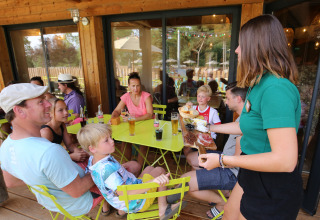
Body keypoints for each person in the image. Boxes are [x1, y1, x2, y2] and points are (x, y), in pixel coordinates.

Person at [198, 15, 303, 220]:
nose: (237, 50)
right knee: (229, 214)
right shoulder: (258, 84)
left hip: (272, 184)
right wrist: (210, 128)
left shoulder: (276, 89)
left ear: (257, 47)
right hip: (251, 170)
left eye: (240, 44)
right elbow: (250, 126)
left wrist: (221, 160)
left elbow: (286, 160)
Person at [0, 83, 101, 216]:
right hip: (79, 203)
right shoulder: (48, 151)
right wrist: (99, 168)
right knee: (128, 167)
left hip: (51, 202)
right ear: (19, 111)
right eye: (40, 102)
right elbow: (77, 191)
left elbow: (10, 182)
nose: (48, 104)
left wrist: (46, 180)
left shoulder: (5, 146)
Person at [77, 123, 186, 219]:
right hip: (136, 201)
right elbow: (126, 193)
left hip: (126, 197)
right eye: (106, 140)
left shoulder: (94, 159)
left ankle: (164, 194)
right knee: (160, 171)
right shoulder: (107, 169)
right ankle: (163, 208)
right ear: (92, 148)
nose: (112, 141)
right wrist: (154, 182)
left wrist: (120, 169)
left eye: (110, 137)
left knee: (148, 168)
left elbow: (105, 179)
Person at [180, 83, 247, 219]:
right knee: (193, 159)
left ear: (238, 99)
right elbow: (230, 127)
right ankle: (221, 190)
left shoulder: (245, 124)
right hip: (226, 158)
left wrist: (218, 162)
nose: (225, 101)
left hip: (233, 172)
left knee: (184, 182)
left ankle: (222, 202)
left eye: (227, 98)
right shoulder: (242, 118)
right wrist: (207, 127)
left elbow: (236, 162)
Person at [111, 72, 153, 167]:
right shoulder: (126, 96)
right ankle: (126, 166)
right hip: (132, 124)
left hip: (146, 125)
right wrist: (113, 117)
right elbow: (117, 110)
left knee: (143, 143)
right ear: (129, 86)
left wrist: (134, 119)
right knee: (125, 141)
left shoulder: (146, 96)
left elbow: (150, 114)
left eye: (138, 86)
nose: (135, 88)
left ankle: (139, 168)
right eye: (133, 86)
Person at [40, 98, 89, 162]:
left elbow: (69, 145)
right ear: (50, 113)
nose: (66, 113)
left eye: (66, 109)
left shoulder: (61, 125)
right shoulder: (46, 131)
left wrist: (79, 152)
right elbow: (46, 157)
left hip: (59, 158)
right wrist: (71, 157)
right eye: (60, 110)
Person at [184, 85, 221, 157]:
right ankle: (193, 164)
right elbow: (184, 117)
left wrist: (207, 128)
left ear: (208, 98)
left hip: (208, 139)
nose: (200, 99)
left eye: (203, 97)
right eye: (199, 96)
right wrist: (186, 107)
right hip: (194, 137)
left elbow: (219, 127)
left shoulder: (213, 112)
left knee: (200, 152)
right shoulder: (193, 108)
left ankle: (196, 163)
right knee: (185, 149)